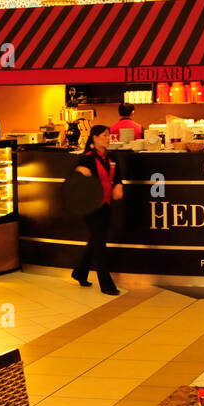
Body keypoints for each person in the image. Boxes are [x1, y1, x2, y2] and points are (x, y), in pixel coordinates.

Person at [71, 125, 123, 295]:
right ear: (94, 137)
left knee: (95, 240)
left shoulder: (111, 157)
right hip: (90, 206)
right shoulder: (86, 158)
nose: (108, 139)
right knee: (100, 245)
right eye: (104, 136)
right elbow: (74, 176)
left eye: (109, 136)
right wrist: (79, 171)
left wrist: (118, 185)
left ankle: (79, 272)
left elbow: (117, 176)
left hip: (106, 205)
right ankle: (106, 285)